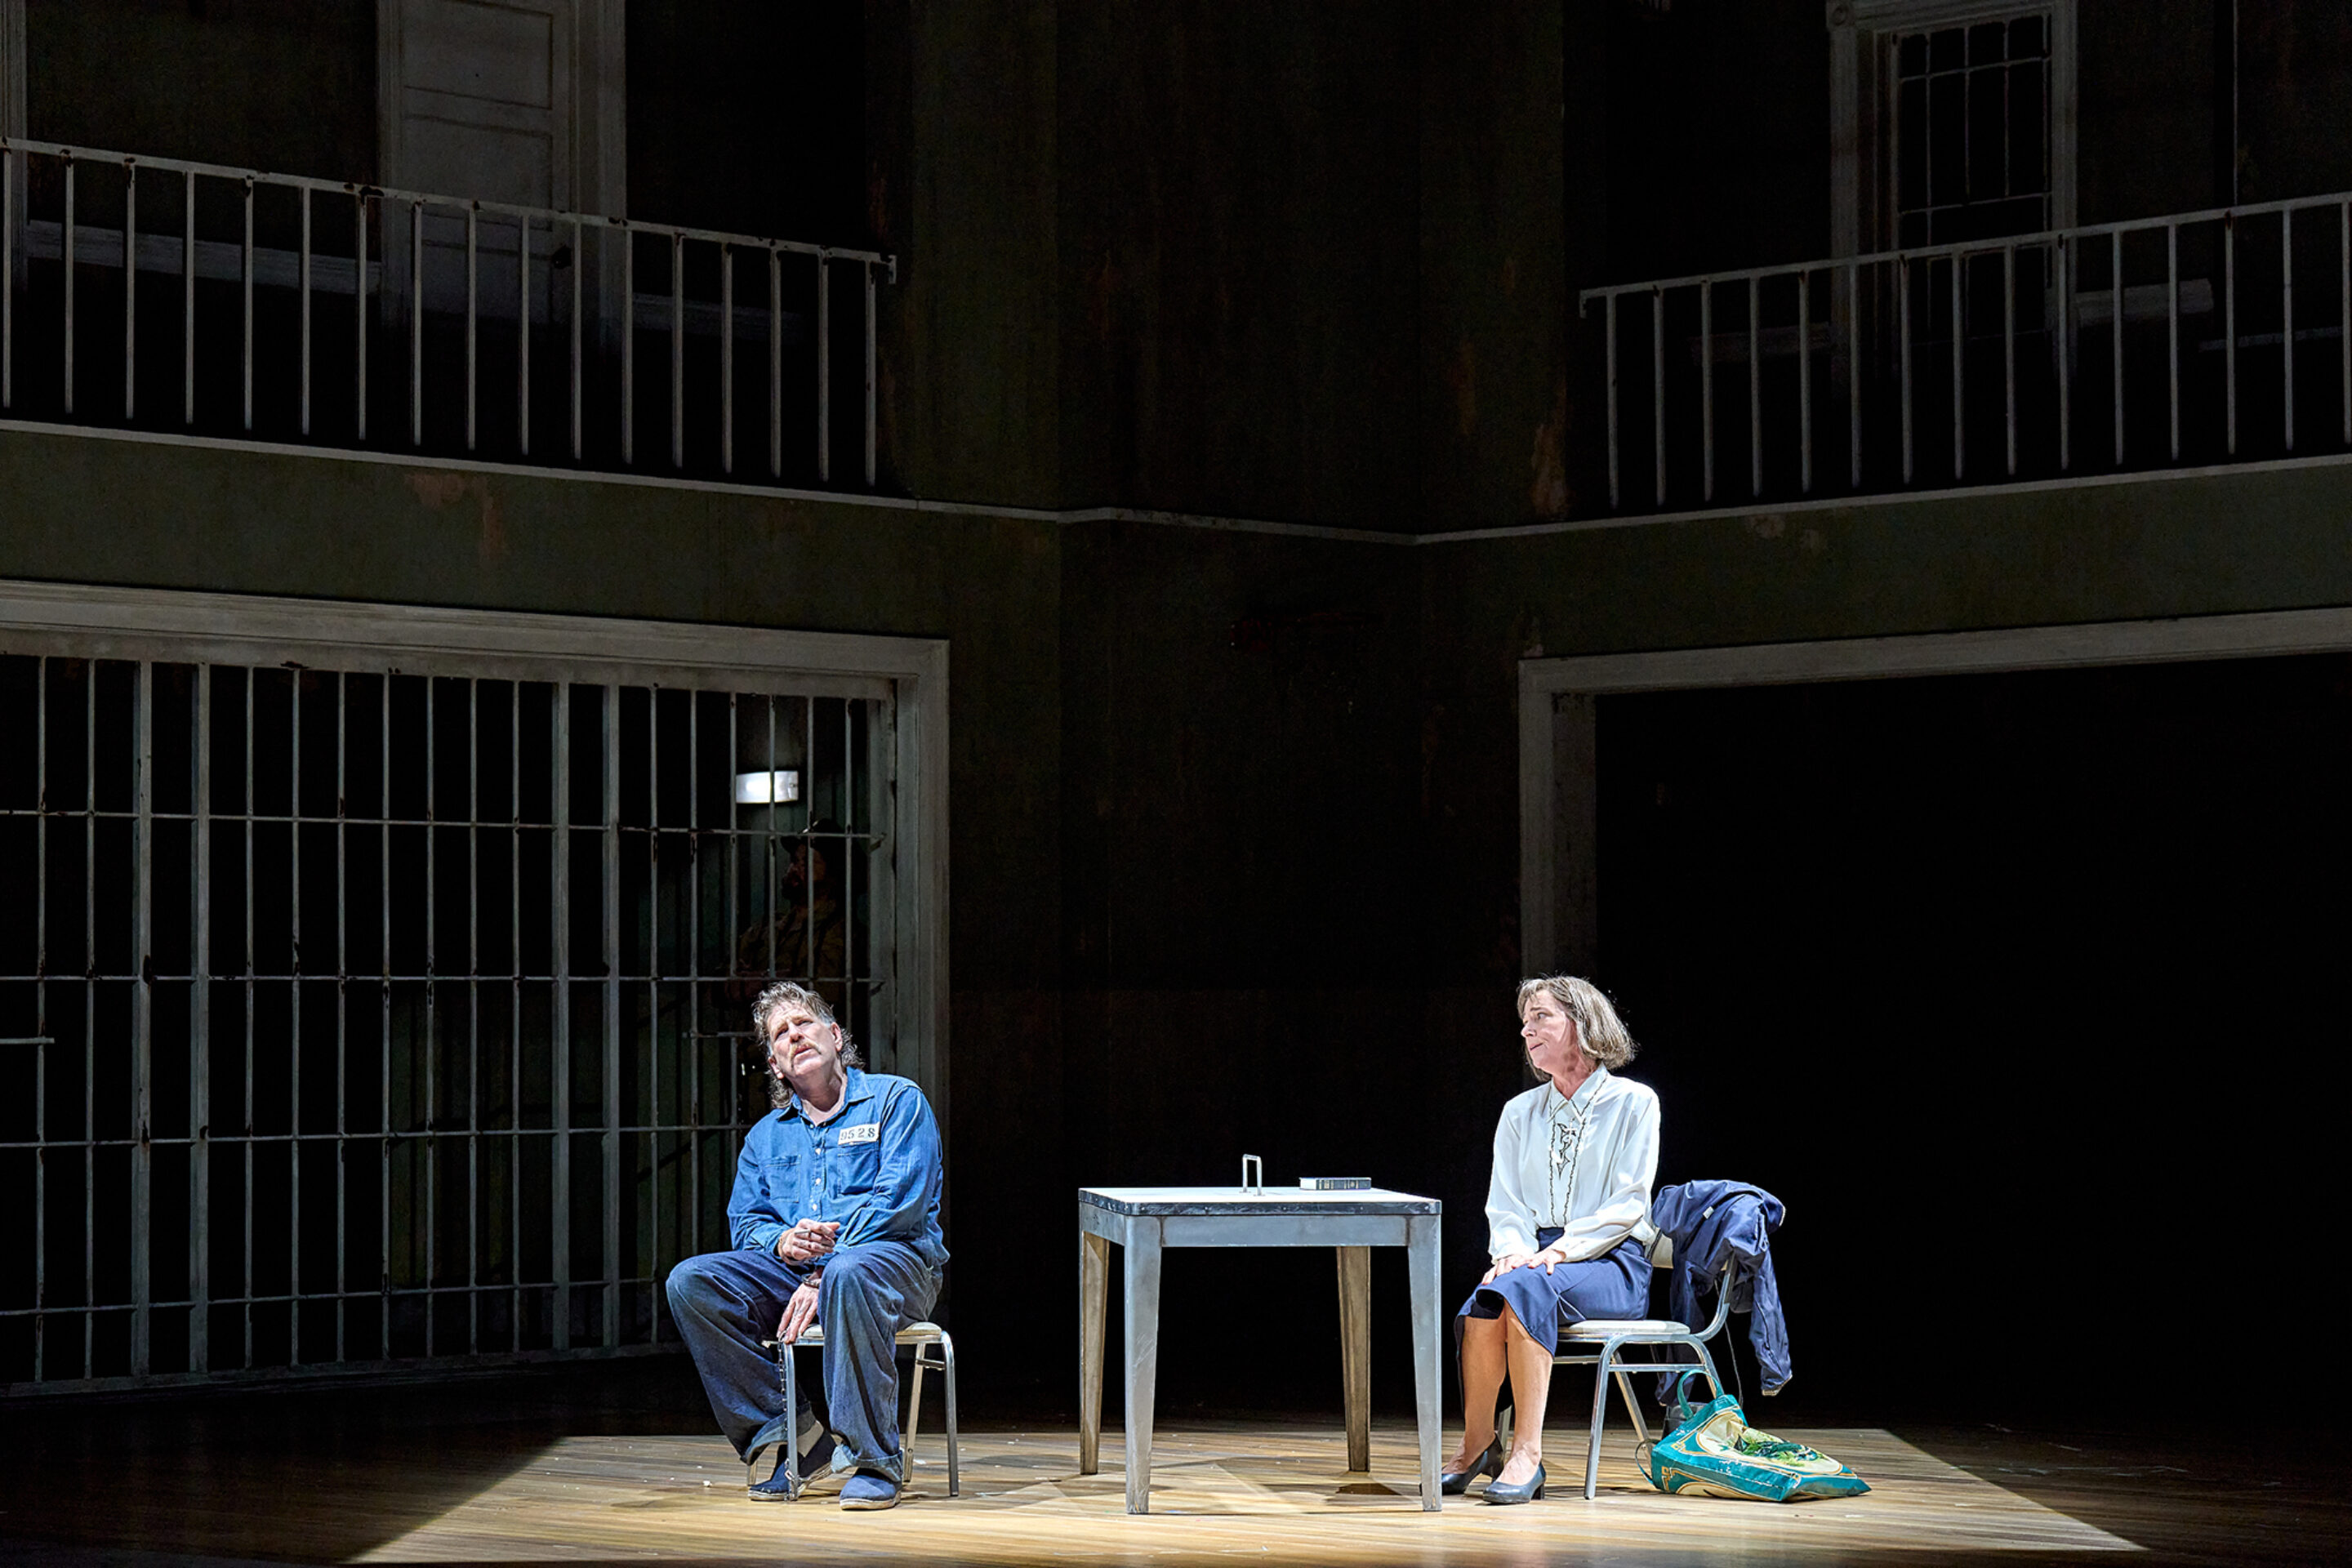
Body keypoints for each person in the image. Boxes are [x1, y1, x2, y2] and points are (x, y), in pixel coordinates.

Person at [664, 981, 947, 1511]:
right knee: (691, 1282)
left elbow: (902, 1202)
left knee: (848, 1274)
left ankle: (874, 1460)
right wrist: (783, 1242)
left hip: (894, 1264)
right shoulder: (766, 1137)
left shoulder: (895, 1101)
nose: (795, 1036)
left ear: (835, 1037)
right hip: (802, 1275)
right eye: (781, 1035)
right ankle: (794, 1433)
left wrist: (825, 1270)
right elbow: (746, 1223)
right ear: (775, 1065)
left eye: (805, 1024)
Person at [1441, 975, 1660, 1503]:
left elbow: (1627, 1205)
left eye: (1541, 1017)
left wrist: (1555, 1252)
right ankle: (1478, 1444)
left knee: (1523, 1289)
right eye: (1525, 1020)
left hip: (1611, 1259)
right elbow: (1507, 1203)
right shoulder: (1520, 1113)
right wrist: (1515, 1251)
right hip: (1535, 1257)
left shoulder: (1634, 1104)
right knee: (1484, 1304)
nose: (1526, 1030)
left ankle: (1528, 1454)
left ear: (1581, 1024)